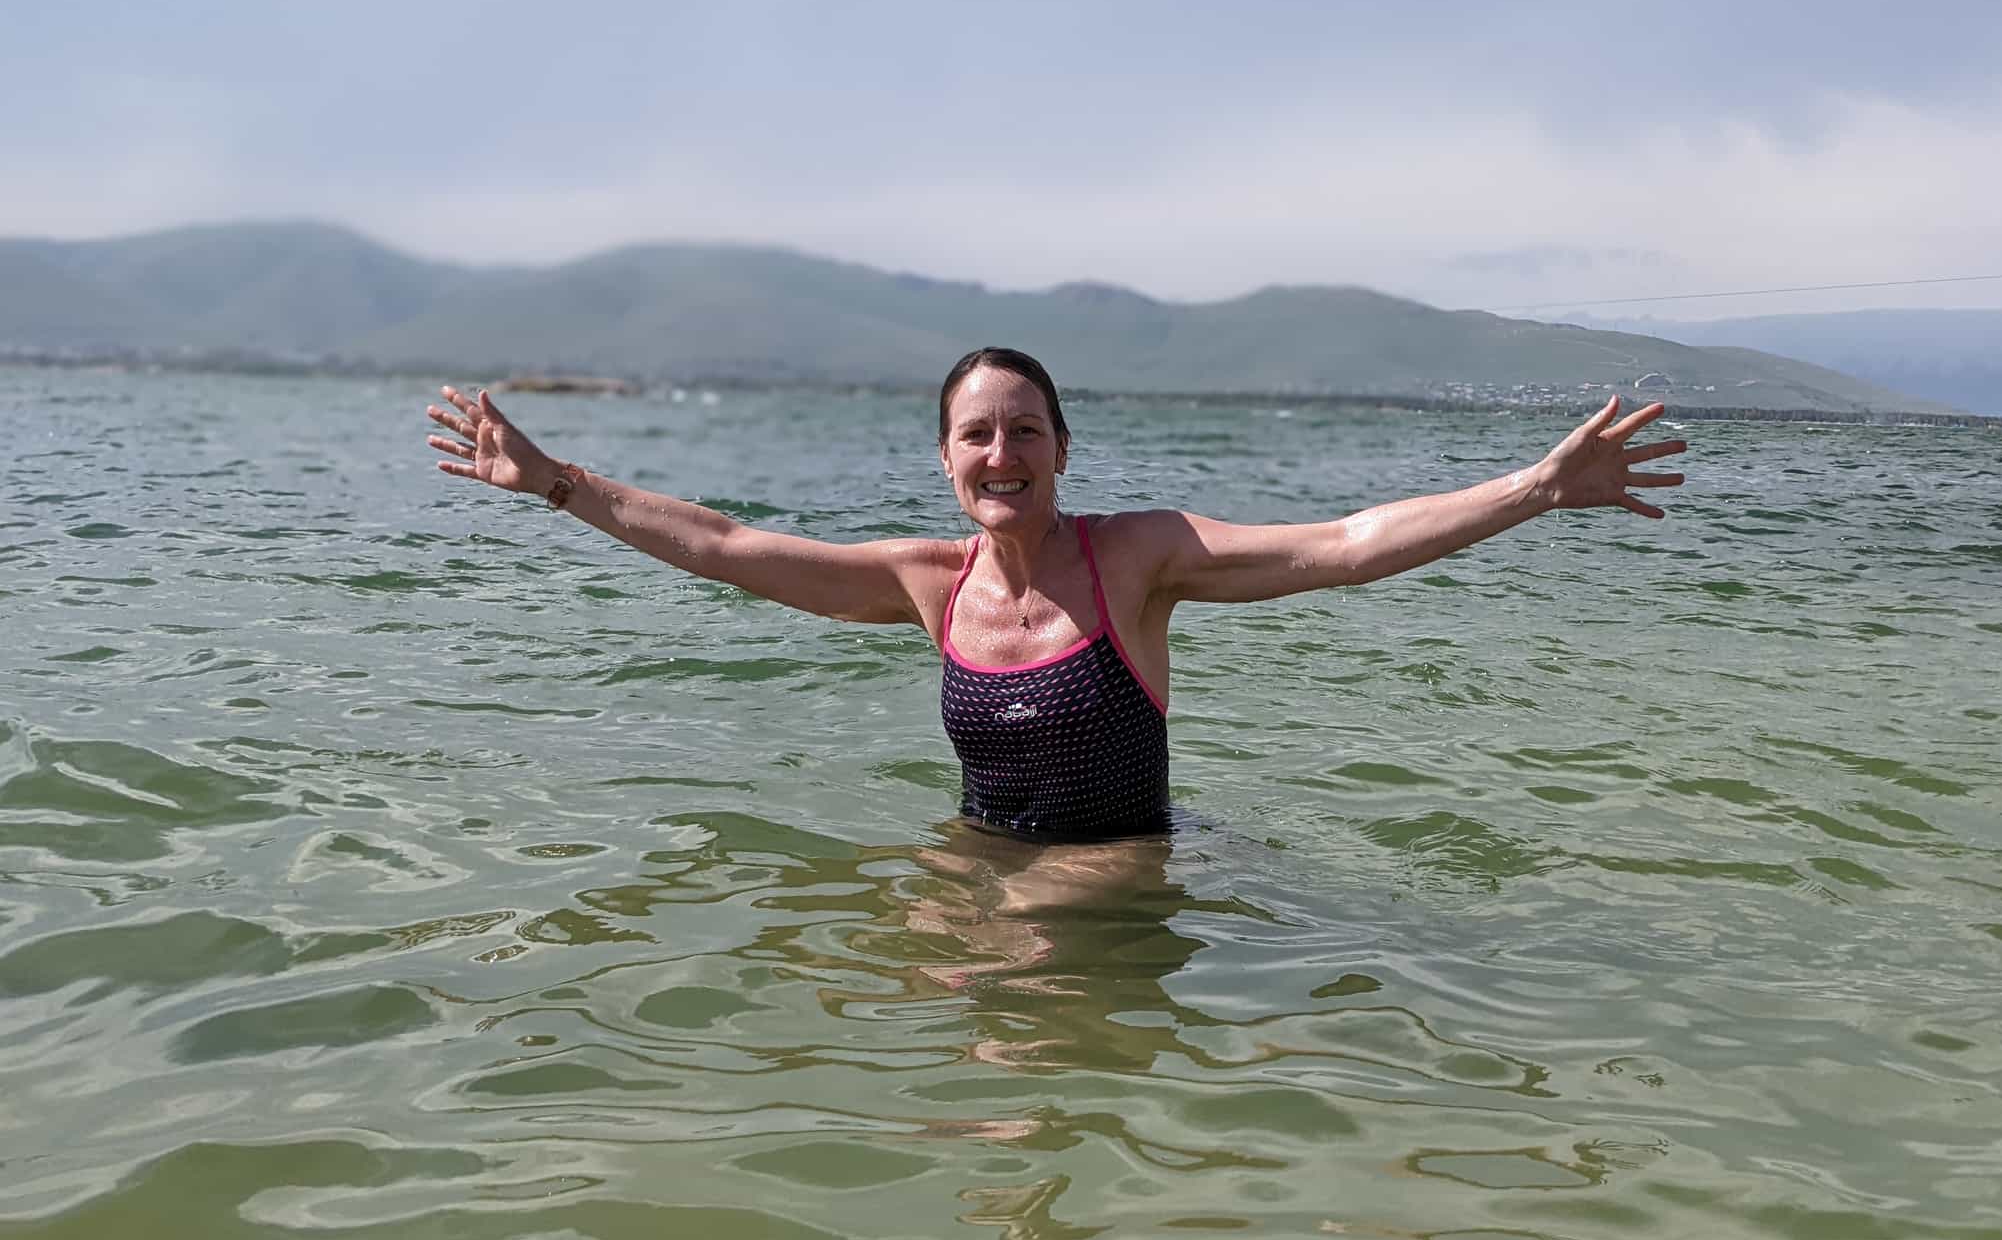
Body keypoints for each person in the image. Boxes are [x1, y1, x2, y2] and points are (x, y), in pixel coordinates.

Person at [426, 346, 1685, 839]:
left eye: (1024, 431)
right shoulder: (926, 584)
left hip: (1111, 871)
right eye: (976, 435)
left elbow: (1344, 543)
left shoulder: (1135, 560)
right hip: (976, 858)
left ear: (1062, 451)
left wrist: (1533, 487)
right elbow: (720, 543)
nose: (1000, 455)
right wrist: (555, 483)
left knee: (1017, 1042)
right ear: (944, 459)